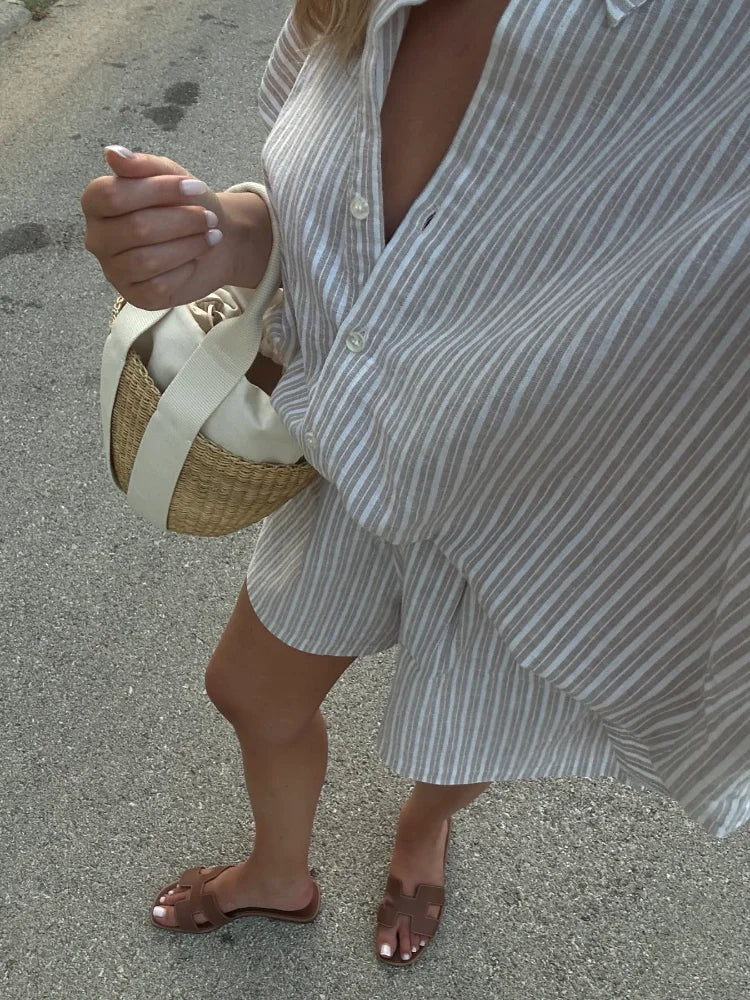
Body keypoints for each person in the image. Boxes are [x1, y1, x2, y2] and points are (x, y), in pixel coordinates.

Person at [81, 0, 750, 969]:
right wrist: (221, 235)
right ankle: (280, 872)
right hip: (362, 442)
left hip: (541, 495)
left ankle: (425, 826)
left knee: (459, 739)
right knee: (250, 692)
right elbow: (333, 192)